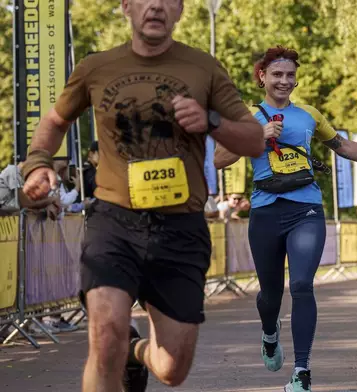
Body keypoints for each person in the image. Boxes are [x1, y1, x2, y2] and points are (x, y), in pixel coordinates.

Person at [19, 1, 264, 391]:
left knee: (171, 369)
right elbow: (54, 121)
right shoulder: (97, 66)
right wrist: (37, 164)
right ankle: (119, 347)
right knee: (104, 334)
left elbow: (253, 140)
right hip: (114, 222)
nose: (155, 6)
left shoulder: (203, 67)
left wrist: (210, 121)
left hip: (180, 228)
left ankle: (136, 352)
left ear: (180, 10)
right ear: (126, 8)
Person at [214, 45, 357, 392]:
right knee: (270, 294)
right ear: (262, 77)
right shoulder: (246, 116)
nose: (284, 81)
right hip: (265, 211)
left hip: (305, 208)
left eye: (290, 75)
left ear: (296, 80)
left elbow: (343, 146)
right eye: (277, 74)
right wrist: (255, 136)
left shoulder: (309, 114)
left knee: (301, 285)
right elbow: (219, 159)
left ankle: (302, 372)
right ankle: (269, 332)